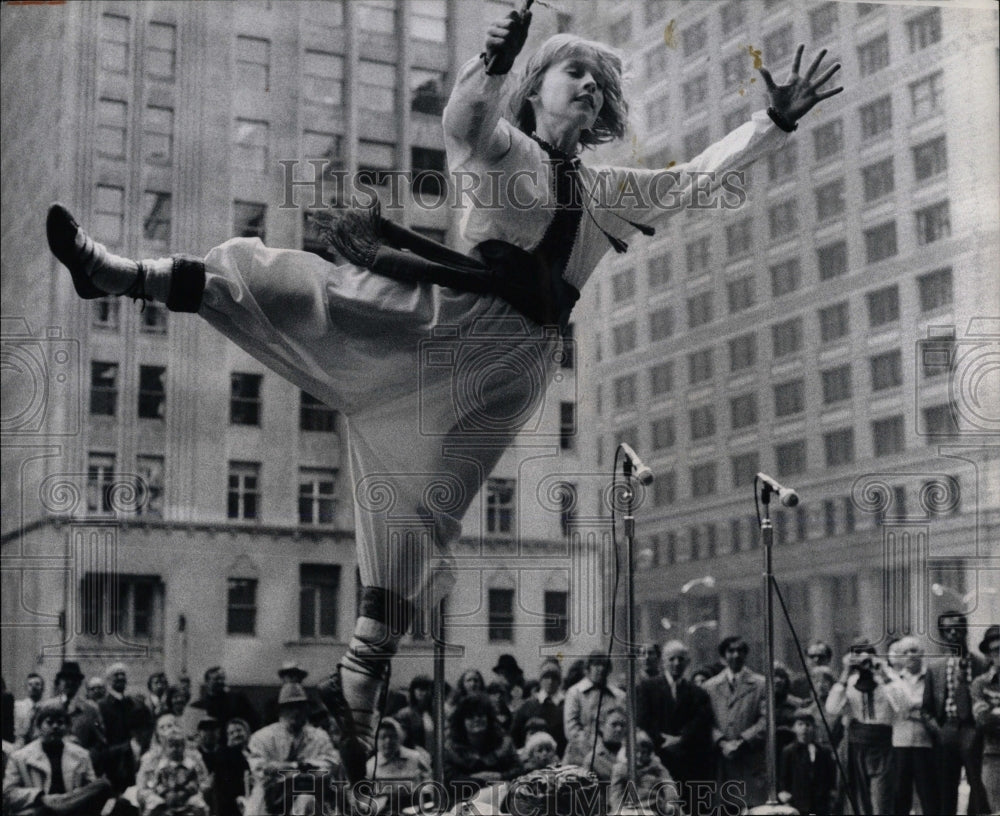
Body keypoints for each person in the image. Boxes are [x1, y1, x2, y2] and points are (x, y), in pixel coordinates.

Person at [46, 6, 840, 789]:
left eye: (601, 83)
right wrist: (494, 62)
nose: (591, 89)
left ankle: (361, 675)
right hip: (447, 317)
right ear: (536, 88)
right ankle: (123, 274)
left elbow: (691, 181)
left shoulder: (607, 188)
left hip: (516, 363)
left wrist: (772, 123)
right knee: (301, 287)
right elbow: (464, 118)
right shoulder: (504, 147)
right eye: (576, 73)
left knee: (423, 509)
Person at [923, 610, 990, 815]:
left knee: (978, 786)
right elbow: (926, 709)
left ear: (965, 631)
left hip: (973, 728)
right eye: (948, 630)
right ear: (942, 635)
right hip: (947, 729)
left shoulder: (982, 664)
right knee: (946, 788)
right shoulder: (935, 668)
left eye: (958, 629)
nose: (953, 634)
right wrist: (939, 730)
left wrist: (980, 727)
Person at [635, 639, 714, 810]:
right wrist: (662, 740)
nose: (676, 663)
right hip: (658, 759)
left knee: (688, 807)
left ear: (688, 662)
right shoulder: (648, 688)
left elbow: (701, 722)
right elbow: (643, 719)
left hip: (688, 762)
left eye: (681, 659)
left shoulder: (698, 693)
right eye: (671, 659)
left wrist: (681, 739)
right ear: (663, 661)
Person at [2, 700, 113, 815]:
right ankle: (59, 805)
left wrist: (72, 798)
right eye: (49, 723)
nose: (55, 727)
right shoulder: (19, 757)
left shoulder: (81, 755)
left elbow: (89, 790)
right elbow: (8, 794)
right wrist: (40, 797)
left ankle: (64, 804)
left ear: (67, 728)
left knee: (103, 785)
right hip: (40, 810)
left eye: (60, 723)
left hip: (72, 810)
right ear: (39, 727)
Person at [245, 683, 339, 816]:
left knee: (307, 801)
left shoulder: (319, 737)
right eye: (289, 707)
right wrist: (297, 766)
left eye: (300, 707)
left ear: (307, 709)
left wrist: (297, 771)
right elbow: (260, 769)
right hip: (271, 796)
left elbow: (331, 764)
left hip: (308, 793)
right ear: (280, 710)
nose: (295, 712)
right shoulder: (262, 737)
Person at [825, 639, 894, 816]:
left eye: (867, 655)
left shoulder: (887, 679)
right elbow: (832, 708)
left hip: (883, 742)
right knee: (857, 797)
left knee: (881, 796)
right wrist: (845, 673)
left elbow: (903, 704)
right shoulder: (849, 681)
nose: (863, 662)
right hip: (856, 742)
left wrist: (884, 674)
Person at [703, 635, 768, 810]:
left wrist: (742, 741)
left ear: (746, 655)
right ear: (724, 655)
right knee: (723, 808)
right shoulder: (710, 686)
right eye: (731, 651)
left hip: (749, 759)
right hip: (721, 760)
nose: (736, 655)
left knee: (750, 808)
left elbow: (766, 720)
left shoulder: (761, 684)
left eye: (740, 651)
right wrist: (721, 742)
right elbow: (704, 721)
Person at [884, 635, 938, 815]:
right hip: (899, 742)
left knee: (928, 793)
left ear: (921, 653)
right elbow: (897, 708)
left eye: (913, 650)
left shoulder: (931, 677)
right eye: (904, 652)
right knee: (900, 794)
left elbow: (928, 705)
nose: (909, 655)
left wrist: (910, 707)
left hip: (925, 742)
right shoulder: (894, 680)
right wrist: (917, 706)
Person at [443, 692, 522, 799]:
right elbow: (450, 779)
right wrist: (479, 779)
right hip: (462, 801)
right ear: (462, 722)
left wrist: (500, 776)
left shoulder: (505, 743)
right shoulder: (450, 748)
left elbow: (518, 769)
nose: (476, 719)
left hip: (500, 800)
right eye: (470, 717)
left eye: (480, 715)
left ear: (488, 718)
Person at [42, 661, 107, 769]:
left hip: (79, 766)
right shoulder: (47, 707)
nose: (70, 682)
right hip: (50, 764)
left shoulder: (90, 709)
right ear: (59, 682)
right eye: (66, 679)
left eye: (74, 679)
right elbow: (36, 736)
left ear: (79, 683)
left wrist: (86, 758)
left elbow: (100, 743)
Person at [777, 709, 836, 816]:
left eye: (808, 725)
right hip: (798, 802)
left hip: (820, 804)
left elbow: (830, 775)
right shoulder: (789, 751)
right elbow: (783, 776)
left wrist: (831, 794)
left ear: (814, 728)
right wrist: (784, 794)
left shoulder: (823, 751)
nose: (804, 728)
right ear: (794, 728)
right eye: (800, 724)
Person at [365, 717, 431, 811]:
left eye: (392, 736)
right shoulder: (370, 766)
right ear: (375, 740)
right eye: (383, 737)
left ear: (400, 738)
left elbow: (430, 784)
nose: (388, 741)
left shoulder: (416, 758)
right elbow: (368, 800)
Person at [563, 651, 624, 749]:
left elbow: (623, 724)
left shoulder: (618, 695)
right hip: (581, 749)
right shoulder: (575, 693)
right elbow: (571, 728)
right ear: (588, 668)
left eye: (604, 665)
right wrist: (589, 743)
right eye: (596, 664)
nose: (601, 669)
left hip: (612, 750)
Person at [140, 732, 210, 816]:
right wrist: (164, 792)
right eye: (171, 746)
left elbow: (194, 782)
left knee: (200, 806)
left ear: (184, 747)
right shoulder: (162, 767)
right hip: (166, 796)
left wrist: (186, 790)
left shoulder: (189, 765)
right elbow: (157, 783)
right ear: (165, 749)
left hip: (186, 796)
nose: (175, 749)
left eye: (178, 746)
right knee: (153, 805)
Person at [609, 729, 678, 813]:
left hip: (653, 806)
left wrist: (670, 800)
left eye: (644, 752)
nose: (639, 755)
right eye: (636, 751)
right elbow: (616, 792)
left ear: (649, 753)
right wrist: (618, 809)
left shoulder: (656, 766)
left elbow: (668, 783)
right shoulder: (621, 769)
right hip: (629, 809)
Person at [100, 662, 142, 795]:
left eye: (122, 675)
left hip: (131, 758)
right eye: (116, 675)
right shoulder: (102, 705)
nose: (120, 678)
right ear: (109, 680)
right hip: (112, 759)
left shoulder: (132, 704)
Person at [972, 625, 1000, 813]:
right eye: (997, 650)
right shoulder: (980, 683)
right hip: (994, 754)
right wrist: (990, 716)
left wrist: (995, 711)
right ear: (989, 655)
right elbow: (983, 721)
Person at [510, 660, 566, 755]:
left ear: (559, 681)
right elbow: (515, 734)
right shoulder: (528, 705)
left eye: (554, 678)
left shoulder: (566, 704)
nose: (550, 681)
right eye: (546, 677)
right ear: (540, 680)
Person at [562, 703, 626, 783]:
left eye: (622, 725)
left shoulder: (631, 754)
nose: (619, 729)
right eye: (614, 724)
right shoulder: (593, 760)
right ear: (602, 726)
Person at [212, 719, 251, 816]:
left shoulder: (254, 751)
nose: (236, 735)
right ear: (228, 737)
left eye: (239, 730)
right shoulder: (224, 755)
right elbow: (224, 784)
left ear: (247, 732)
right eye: (231, 733)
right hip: (234, 803)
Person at [392, 675, 434, 757]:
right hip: (414, 756)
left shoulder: (437, 713)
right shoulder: (404, 714)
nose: (424, 693)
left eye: (427, 689)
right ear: (413, 691)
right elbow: (401, 740)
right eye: (420, 689)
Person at [12, 674, 45, 749]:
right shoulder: (17, 706)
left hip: (39, 747)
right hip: (18, 746)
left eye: (37, 684)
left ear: (43, 688)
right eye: (30, 684)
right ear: (26, 688)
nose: (34, 687)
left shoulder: (46, 708)